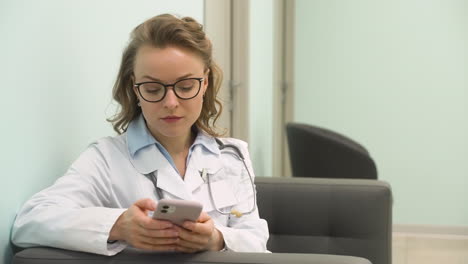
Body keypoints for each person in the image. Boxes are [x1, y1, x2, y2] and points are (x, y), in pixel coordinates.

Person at [11, 14, 269, 256]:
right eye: (153, 88)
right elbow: (30, 221)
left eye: (186, 86)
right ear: (135, 88)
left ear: (205, 83)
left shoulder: (233, 155)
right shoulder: (106, 158)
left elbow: (257, 242)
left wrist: (216, 239)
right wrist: (118, 226)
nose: (170, 102)